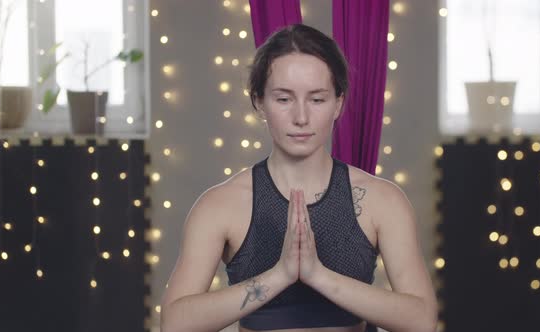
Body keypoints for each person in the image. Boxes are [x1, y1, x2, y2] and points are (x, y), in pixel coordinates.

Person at [161, 24, 437, 332]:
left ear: (338, 104)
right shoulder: (221, 204)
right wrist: (280, 274)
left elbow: (422, 320)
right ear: (259, 102)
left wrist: (318, 275)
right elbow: (175, 323)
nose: (301, 117)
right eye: (283, 99)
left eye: (317, 99)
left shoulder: (382, 200)